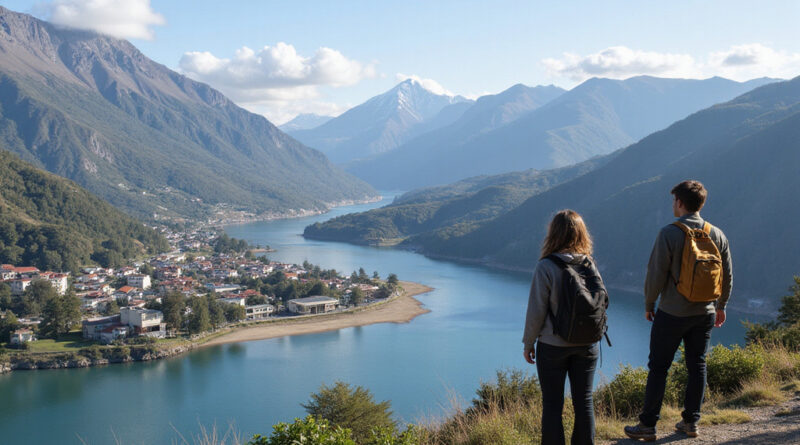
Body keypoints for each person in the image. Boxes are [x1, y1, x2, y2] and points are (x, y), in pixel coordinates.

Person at [625, 180, 733, 441]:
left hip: (672, 312)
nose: (673, 205)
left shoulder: (669, 233)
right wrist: (721, 306)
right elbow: (727, 275)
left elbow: (656, 274)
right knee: (697, 365)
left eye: (674, 200)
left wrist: (649, 304)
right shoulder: (716, 234)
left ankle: (648, 425)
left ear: (680, 203)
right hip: (705, 312)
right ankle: (691, 422)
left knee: (659, 368)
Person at [523, 209, 607, 445]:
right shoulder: (589, 263)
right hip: (588, 343)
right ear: (582, 234)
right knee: (584, 401)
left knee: (552, 404)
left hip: (553, 346)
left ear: (553, 233)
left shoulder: (546, 266)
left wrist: (528, 343)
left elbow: (536, 311)